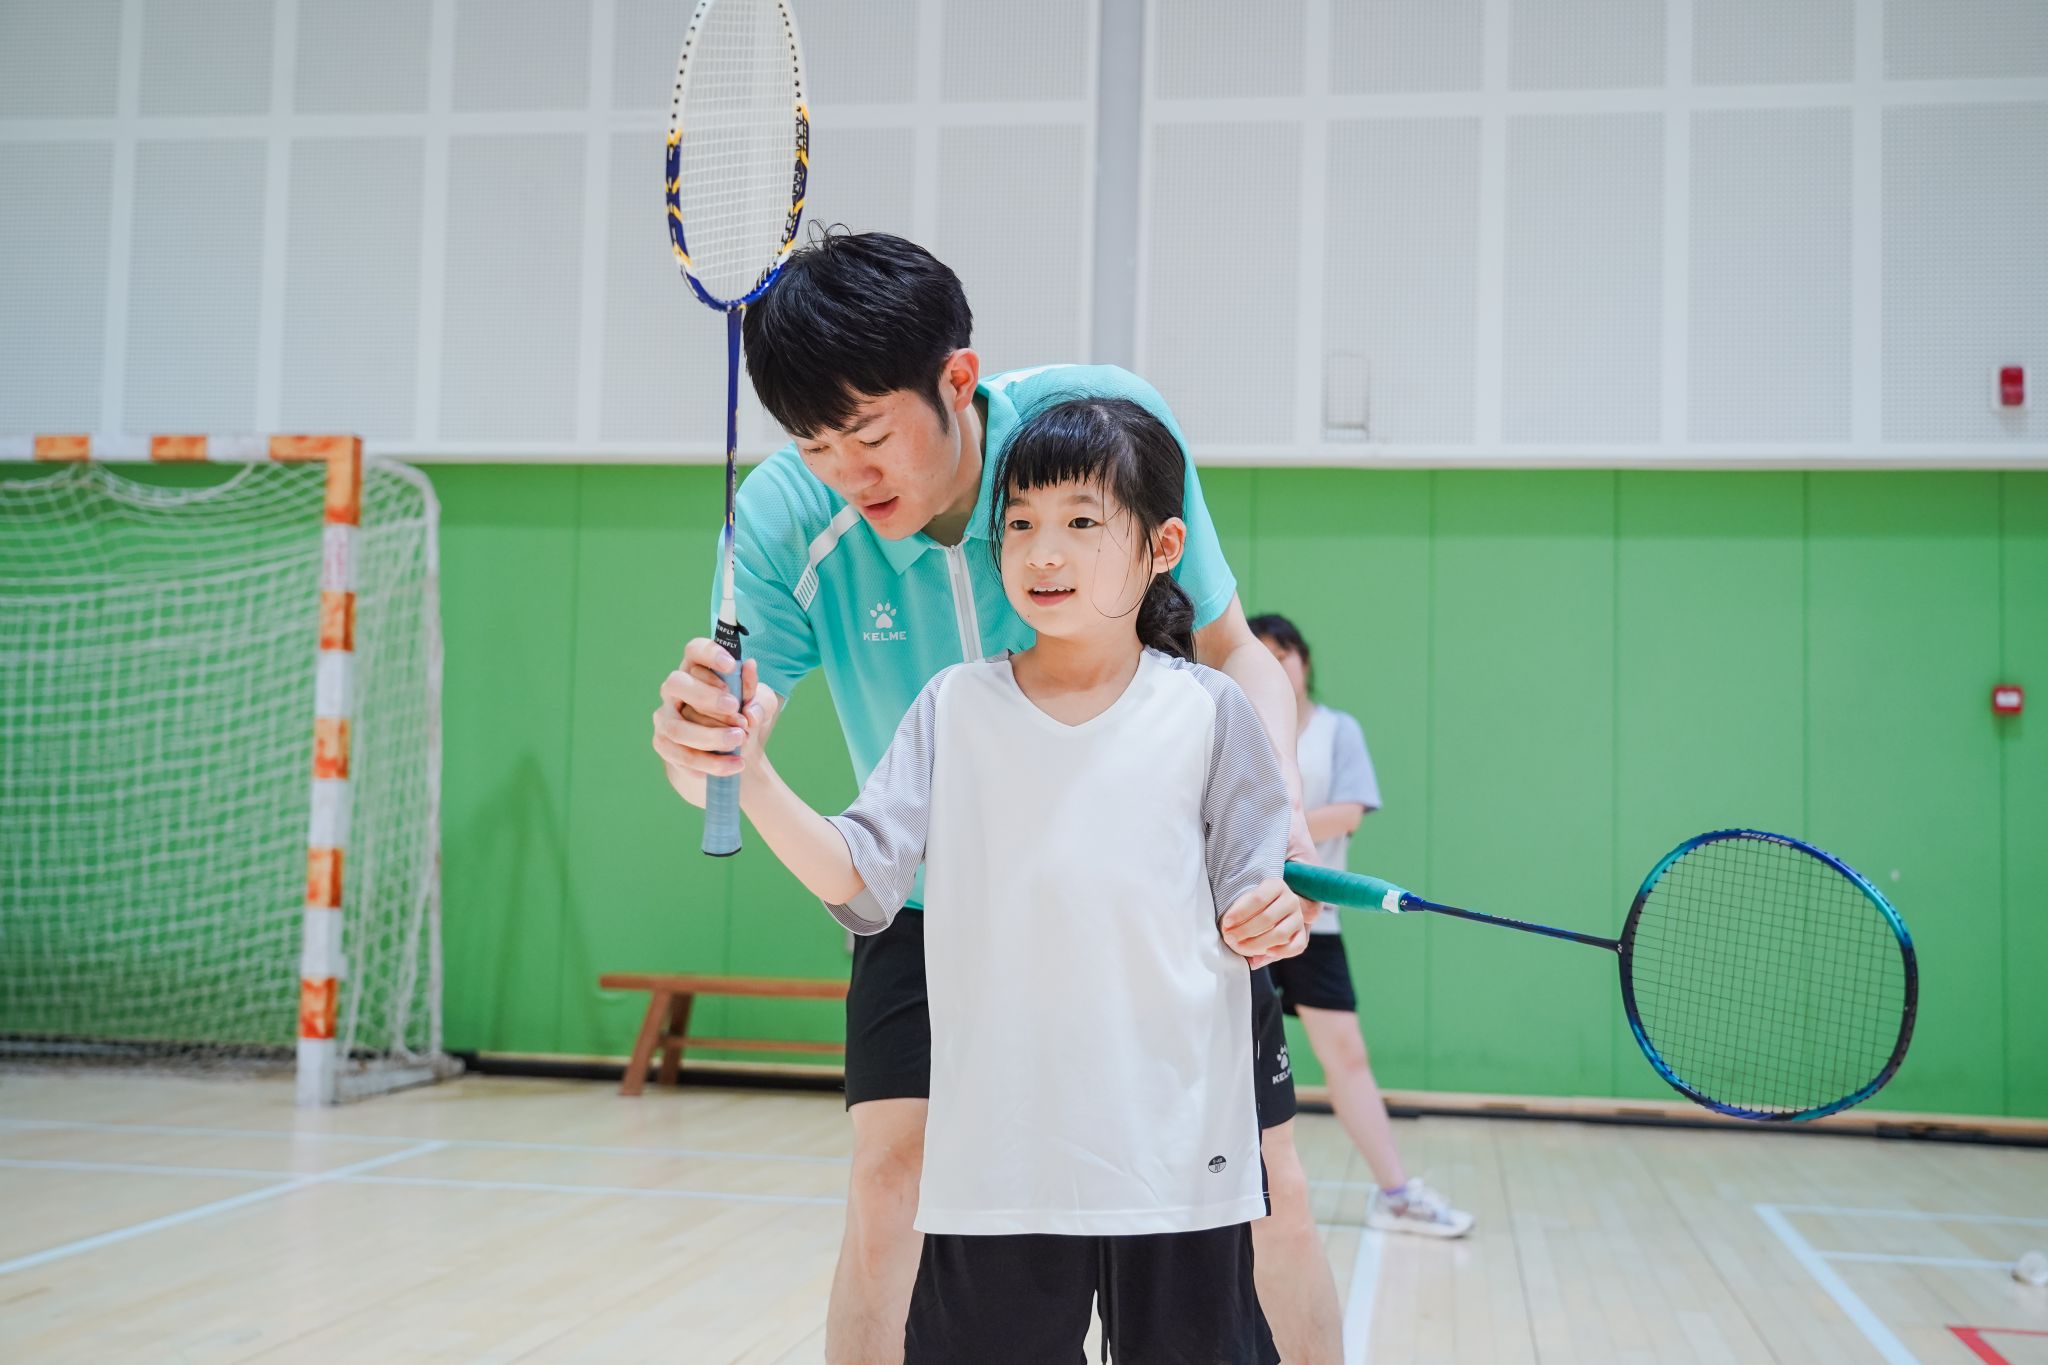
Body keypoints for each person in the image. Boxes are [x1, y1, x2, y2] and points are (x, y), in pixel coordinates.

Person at [649, 232, 1346, 1363]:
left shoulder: (1093, 430)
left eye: (869, 434)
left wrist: (1267, 838)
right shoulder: (783, 519)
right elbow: (725, 751)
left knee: (1269, 1190)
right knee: (890, 1184)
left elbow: (1234, 649)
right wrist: (701, 749)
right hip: (935, 906)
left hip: (1160, 904)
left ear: (956, 380)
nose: (845, 472)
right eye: (814, 444)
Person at [735, 396, 1288, 1363]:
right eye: (1021, 523)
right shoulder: (953, 707)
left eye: (1081, 521)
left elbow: (1254, 889)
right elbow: (861, 878)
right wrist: (752, 778)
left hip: (1176, 1155)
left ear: (1162, 547)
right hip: (998, 1162)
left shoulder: (1212, 712)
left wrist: (1267, 912)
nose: (1043, 552)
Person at [1248, 613, 1474, 1239]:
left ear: (1305, 661)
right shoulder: (1230, 723)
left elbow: (1347, 813)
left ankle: (1396, 1194)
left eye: (1283, 654)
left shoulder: (1337, 731)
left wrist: (1272, 834)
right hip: (1241, 921)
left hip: (1312, 925)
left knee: (1346, 1055)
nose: (1275, 666)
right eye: (1260, 656)